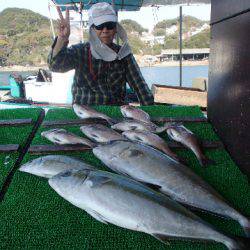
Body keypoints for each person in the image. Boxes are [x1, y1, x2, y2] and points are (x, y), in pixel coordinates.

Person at [48, 2, 154, 106]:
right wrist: (62, 38)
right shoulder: (79, 51)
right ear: (92, 28)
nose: (105, 30)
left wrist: (152, 113)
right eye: (100, 26)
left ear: (116, 28)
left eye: (110, 25)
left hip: (115, 113)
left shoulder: (124, 55)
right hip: (84, 112)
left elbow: (140, 87)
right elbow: (55, 66)